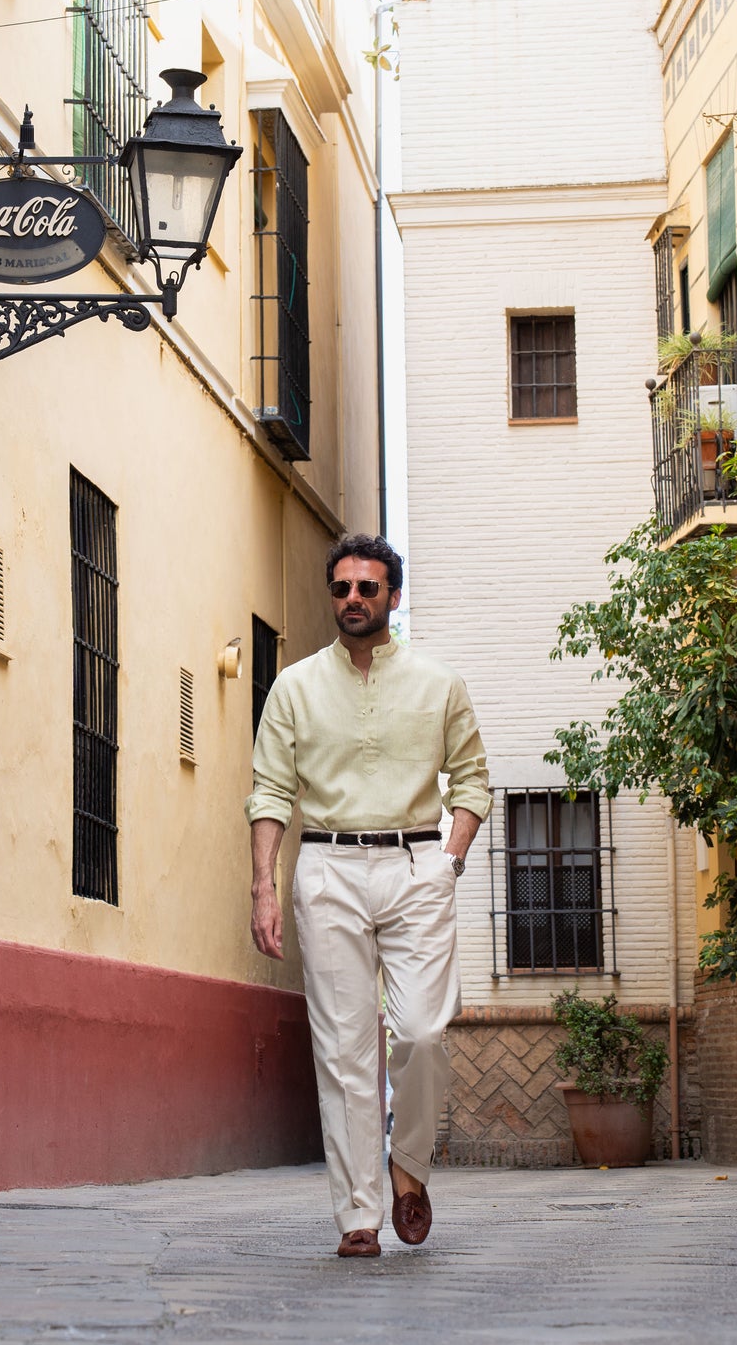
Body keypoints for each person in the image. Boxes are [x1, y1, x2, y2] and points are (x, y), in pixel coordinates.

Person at [246, 534, 491, 1258]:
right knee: (343, 1048)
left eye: (367, 587)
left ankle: (407, 1165)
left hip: (417, 865)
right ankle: (358, 1213)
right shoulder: (293, 688)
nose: (352, 598)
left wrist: (449, 860)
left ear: (393, 595)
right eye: (341, 588)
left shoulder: (439, 683)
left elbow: (472, 781)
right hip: (327, 867)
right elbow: (270, 791)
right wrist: (263, 883)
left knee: (420, 1032)